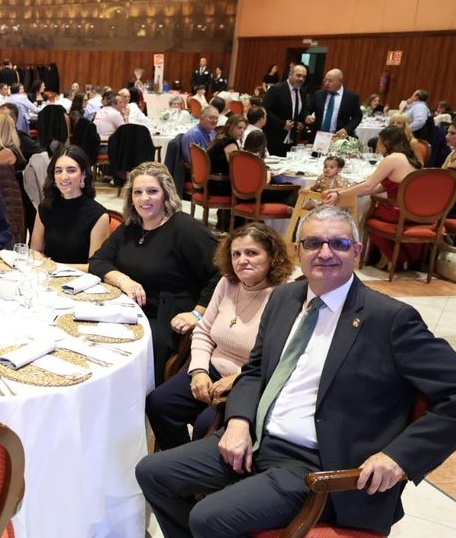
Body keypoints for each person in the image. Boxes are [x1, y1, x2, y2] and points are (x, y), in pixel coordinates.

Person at [135, 205, 456, 538]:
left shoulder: (390, 319)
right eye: (314, 243)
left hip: (316, 465)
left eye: (338, 243)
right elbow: (257, 370)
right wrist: (239, 421)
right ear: (298, 250)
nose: (325, 253)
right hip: (261, 440)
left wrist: (400, 457)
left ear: (357, 251)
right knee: (154, 471)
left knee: (211, 516)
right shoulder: (286, 298)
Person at [145, 223, 294, 451]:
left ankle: (195, 465)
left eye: (252, 253)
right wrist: (199, 371)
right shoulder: (227, 283)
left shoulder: (284, 295)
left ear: (272, 257)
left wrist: (238, 379)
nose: (242, 260)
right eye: (236, 254)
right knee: (158, 403)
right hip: (212, 368)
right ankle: (179, 461)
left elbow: (280, 356)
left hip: (248, 379)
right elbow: (203, 330)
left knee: (206, 425)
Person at [88, 161, 219, 376]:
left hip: (167, 318)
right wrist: (123, 280)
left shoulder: (184, 228)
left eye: (152, 191)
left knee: (118, 357)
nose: (144, 198)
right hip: (131, 311)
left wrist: (197, 314)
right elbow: (98, 261)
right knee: (89, 337)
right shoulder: (131, 228)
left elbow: (222, 273)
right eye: (137, 192)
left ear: (166, 194)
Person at [324, 125, 422, 271]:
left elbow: (369, 186)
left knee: (366, 214)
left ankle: (387, 255)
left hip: (398, 211)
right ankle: (389, 256)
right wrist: (344, 191)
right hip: (414, 210)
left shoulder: (393, 158)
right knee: (369, 205)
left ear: (387, 142)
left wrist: (339, 195)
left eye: (379, 141)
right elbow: (382, 187)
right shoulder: (409, 157)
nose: (377, 144)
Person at [30, 146, 109, 271]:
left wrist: (54, 267)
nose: (64, 177)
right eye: (58, 171)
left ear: (83, 174)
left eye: (71, 170)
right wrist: (42, 262)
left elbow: (95, 267)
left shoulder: (98, 216)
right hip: (47, 277)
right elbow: (35, 250)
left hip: (81, 280)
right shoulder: (45, 208)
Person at [262, 64, 308, 156]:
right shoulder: (276, 89)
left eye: (304, 77)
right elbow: (265, 110)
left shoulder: (302, 92)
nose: (301, 79)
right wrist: (282, 124)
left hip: (292, 139)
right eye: (298, 75)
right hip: (274, 138)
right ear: (290, 75)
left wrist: (302, 122)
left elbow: (301, 111)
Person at [305, 69, 362, 139]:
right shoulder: (318, 94)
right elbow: (307, 110)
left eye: (330, 81)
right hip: (318, 136)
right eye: (325, 80)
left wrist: (346, 129)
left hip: (339, 137)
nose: (326, 83)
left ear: (340, 81)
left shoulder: (351, 97)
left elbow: (357, 117)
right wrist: (307, 116)